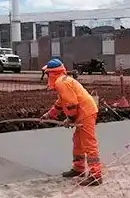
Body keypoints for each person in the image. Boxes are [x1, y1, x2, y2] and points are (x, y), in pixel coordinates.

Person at [41, 58, 102, 186]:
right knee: (78, 141)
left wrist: (70, 119)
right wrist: (49, 115)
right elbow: (60, 103)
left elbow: (71, 104)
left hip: (85, 112)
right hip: (84, 111)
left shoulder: (60, 83)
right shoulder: (63, 80)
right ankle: (78, 168)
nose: (46, 76)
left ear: (51, 73)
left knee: (88, 143)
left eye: (47, 73)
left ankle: (95, 175)